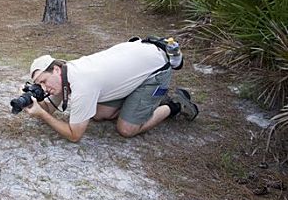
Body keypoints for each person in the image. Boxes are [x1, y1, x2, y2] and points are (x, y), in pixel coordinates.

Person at [25, 39, 198, 142]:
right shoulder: (67, 71)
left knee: (126, 129)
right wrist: (31, 100)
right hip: (138, 59)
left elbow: (74, 135)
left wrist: (42, 114)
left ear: (55, 69)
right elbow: (49, 107)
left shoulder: (83, 84)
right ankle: (138, 102)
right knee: (98, 114)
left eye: (43, 81)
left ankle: (174, 104)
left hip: (156, 69)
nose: (44, 87)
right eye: (39, 85)